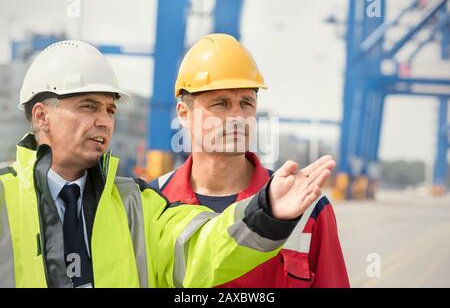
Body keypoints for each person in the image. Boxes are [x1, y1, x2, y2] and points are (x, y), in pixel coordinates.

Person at [0, 40, 336, 288]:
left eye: (110, 110)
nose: (104, 121)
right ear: (41, 116)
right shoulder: (4, 200)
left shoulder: (137, 204)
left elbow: (202, 249)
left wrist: (267, 213)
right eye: (89, 107)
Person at [150, 34, 350, 288]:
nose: (237, 116)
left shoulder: (308, 209)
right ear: (184, 114)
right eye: (221, 103)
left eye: (246, 103)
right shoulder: (153, 206)